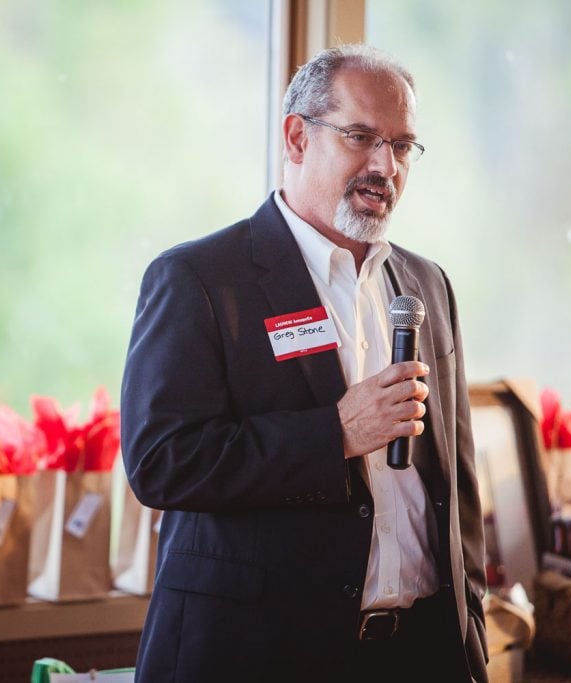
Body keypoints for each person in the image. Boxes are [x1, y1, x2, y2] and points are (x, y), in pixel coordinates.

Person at [120, 44, 488, 681]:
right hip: (262, 654)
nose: (385, 167)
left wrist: (470, 634)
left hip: (421, 653)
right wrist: (337, 433)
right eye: (360, 137)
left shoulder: (427, 286)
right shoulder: (202, 279)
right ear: (296, 138)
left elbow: (457, 488)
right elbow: (161, 462)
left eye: (402, 147)